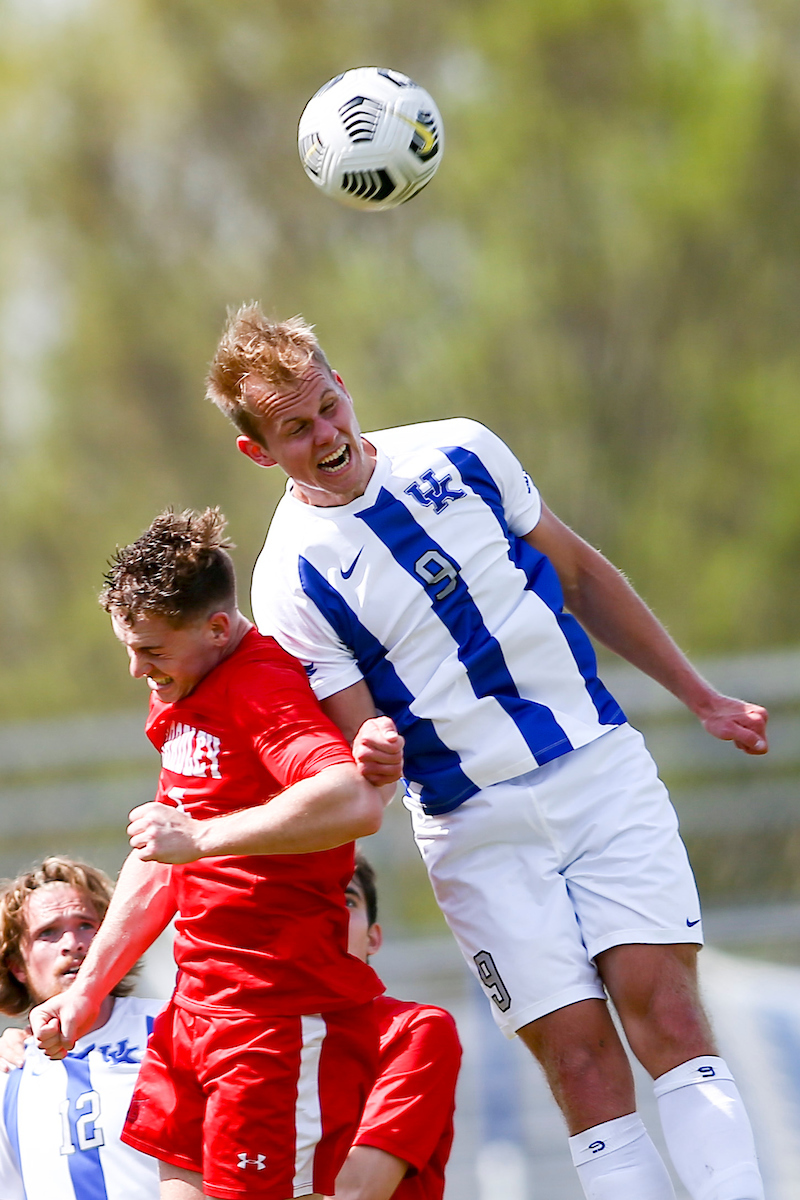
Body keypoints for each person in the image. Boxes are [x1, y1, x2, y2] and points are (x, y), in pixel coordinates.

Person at [204, 304, 770, 1200]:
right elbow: (362, 750)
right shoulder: (289, 580)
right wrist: (374, 754)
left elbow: (581, 575)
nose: (325, 435)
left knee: (663, 1009)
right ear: (257, 452)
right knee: (582, 1066)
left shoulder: (458, 451)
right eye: (294, 430)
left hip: (597, 767)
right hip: (474, 826)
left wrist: (700, 696)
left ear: (343, 385)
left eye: (326, 408)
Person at [30, 508, 403, 1200]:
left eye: (153, 651)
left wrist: (200, 839)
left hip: (271, 1017)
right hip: (196, 1005)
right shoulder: (181, 689)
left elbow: (352, 801)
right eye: (129, 648)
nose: (137, 669)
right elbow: (160, 854)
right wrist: (85, 993)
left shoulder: (260, 687)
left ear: (218, 629)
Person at [0, 856, 162, 1199]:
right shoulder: (9, 1072)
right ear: (17, 966)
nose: (72, 943)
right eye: (48, 932)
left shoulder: (168, 1026)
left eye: (86, 925)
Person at [329, 854, 461, 1200]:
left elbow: (353, 1192)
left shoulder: (414, 1030)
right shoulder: (220, 1030)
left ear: (373, 938)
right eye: (310, 898)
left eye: (346, 901)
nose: (329, 914)